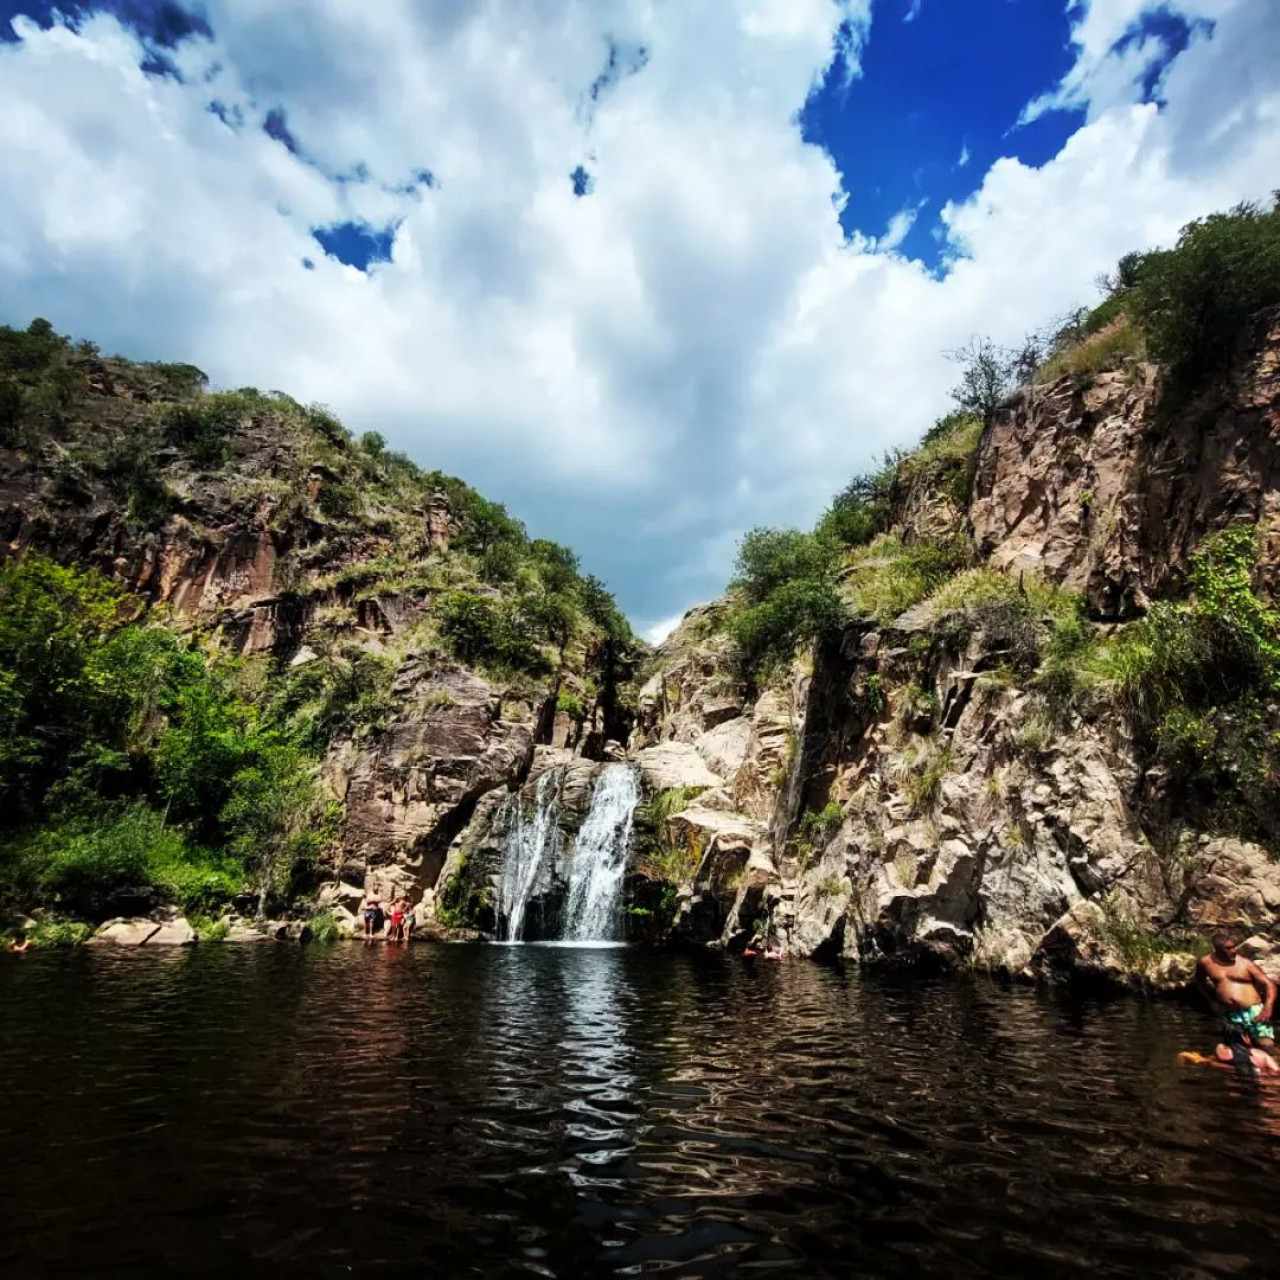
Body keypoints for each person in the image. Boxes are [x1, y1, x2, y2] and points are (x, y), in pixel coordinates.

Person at [1195, 932, 1277, 1053]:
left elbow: (1269, 984)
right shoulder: (1205, 963)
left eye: (1234, 947)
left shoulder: (1245, 964)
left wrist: (1268, 1007)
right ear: (1217, 949)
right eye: (1228, 948)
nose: (1234, 951)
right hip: (1230, 1014)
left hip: (1253, 1012)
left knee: (1266, 1046)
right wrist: (1212, 1002)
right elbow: (1200, 982)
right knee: (1238, 1049)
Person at [1179, 1043, 1280, 1076]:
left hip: (1237, 1057)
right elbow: (1275, 1070)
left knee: (1211, 1061)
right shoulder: (1263, 1057)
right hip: (1243, 1061)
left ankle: (1192, 1056)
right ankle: (1193, 1057)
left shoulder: (1262, 1055)